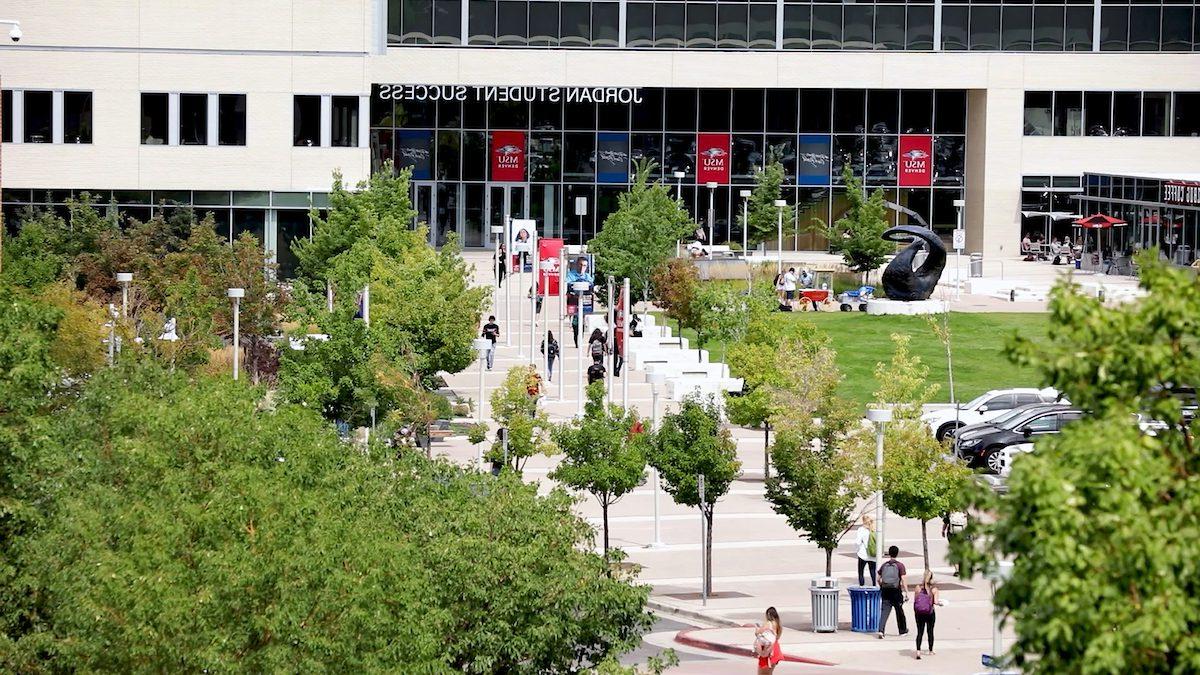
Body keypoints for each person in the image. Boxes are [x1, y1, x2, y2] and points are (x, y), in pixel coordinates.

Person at [876, 545, 908, 639]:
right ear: (897, 553)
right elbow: (903, 579)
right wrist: (906, 591)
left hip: (885, 590)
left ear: (889, 553)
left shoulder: (884, 565)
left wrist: (882, 585)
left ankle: (881, 630)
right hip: (896, 591)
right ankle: (902, 630)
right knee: (899, 610)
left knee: (884, 611)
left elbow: (878, 578)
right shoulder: (900, 565)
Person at [912, 569, 943, 660]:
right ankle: (930, 650)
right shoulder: (934, 589)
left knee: (920, 632)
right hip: (929, 612)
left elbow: (915, 601)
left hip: (919, 613)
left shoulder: (918, 587)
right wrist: (940, 603)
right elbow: (936, 602)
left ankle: (918, 651)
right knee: (930, 631)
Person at [754, 607, 783, 674]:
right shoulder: (778, 624)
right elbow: (777, 637)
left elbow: (758, 633)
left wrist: (757, 628)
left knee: (761, 674)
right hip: (775, 650)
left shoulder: (768, 623)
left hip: (767, 650)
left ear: (768, 615)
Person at [855, 515, 877, 586]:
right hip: (872, 554)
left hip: (863, 554)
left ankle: (861, 587)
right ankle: (875, 586)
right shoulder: (874, 530)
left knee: (861, 572)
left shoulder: (861, 529)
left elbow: (858, 542)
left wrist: (857, 549)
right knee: (873, 572)